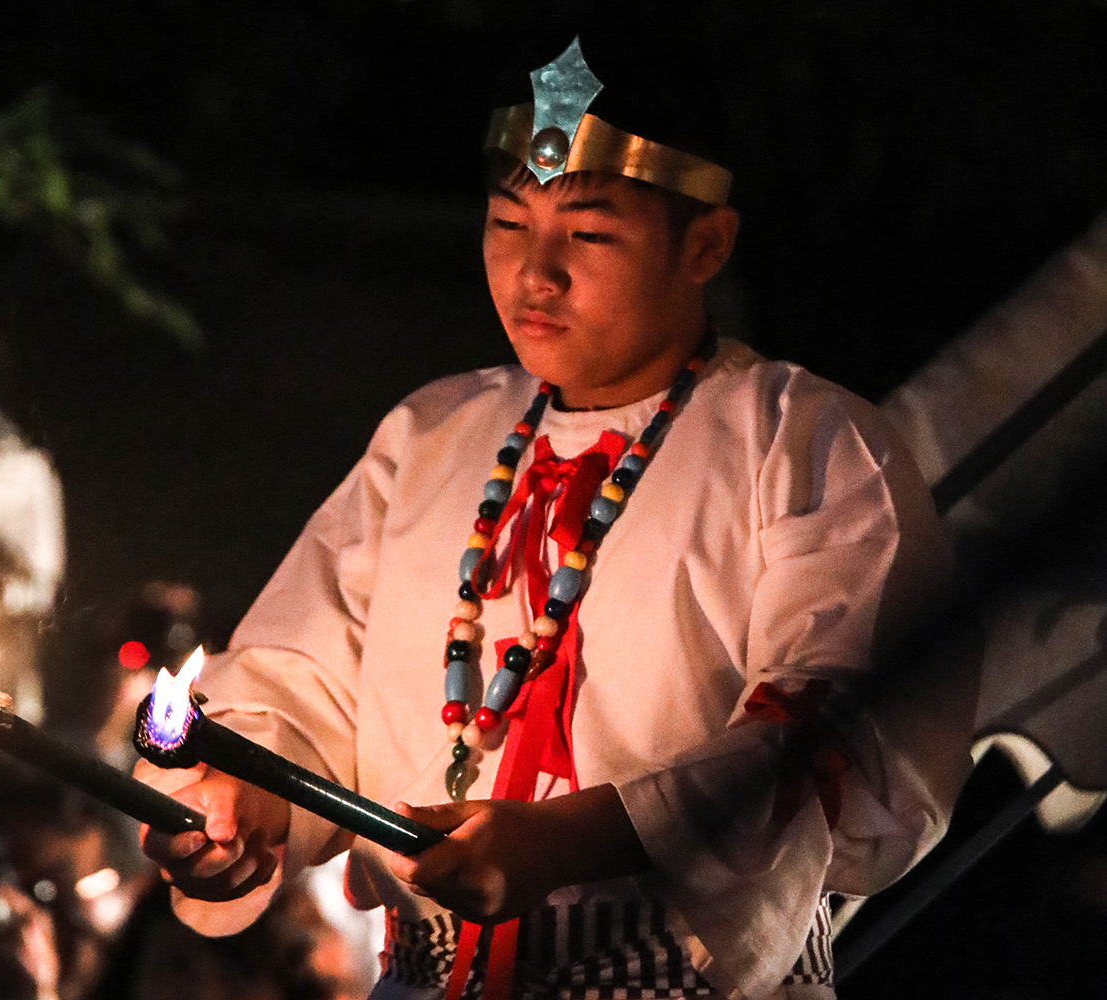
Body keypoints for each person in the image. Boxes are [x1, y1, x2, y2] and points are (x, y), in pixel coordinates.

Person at [136, 8, 970, 999]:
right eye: (507, 224)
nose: (535, 274)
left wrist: (572, 838)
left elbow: (842, 733)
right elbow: (299, 680)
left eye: (588, 233)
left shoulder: (804, 442)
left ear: (704, 244)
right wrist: (250, 799)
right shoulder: (432, 439)